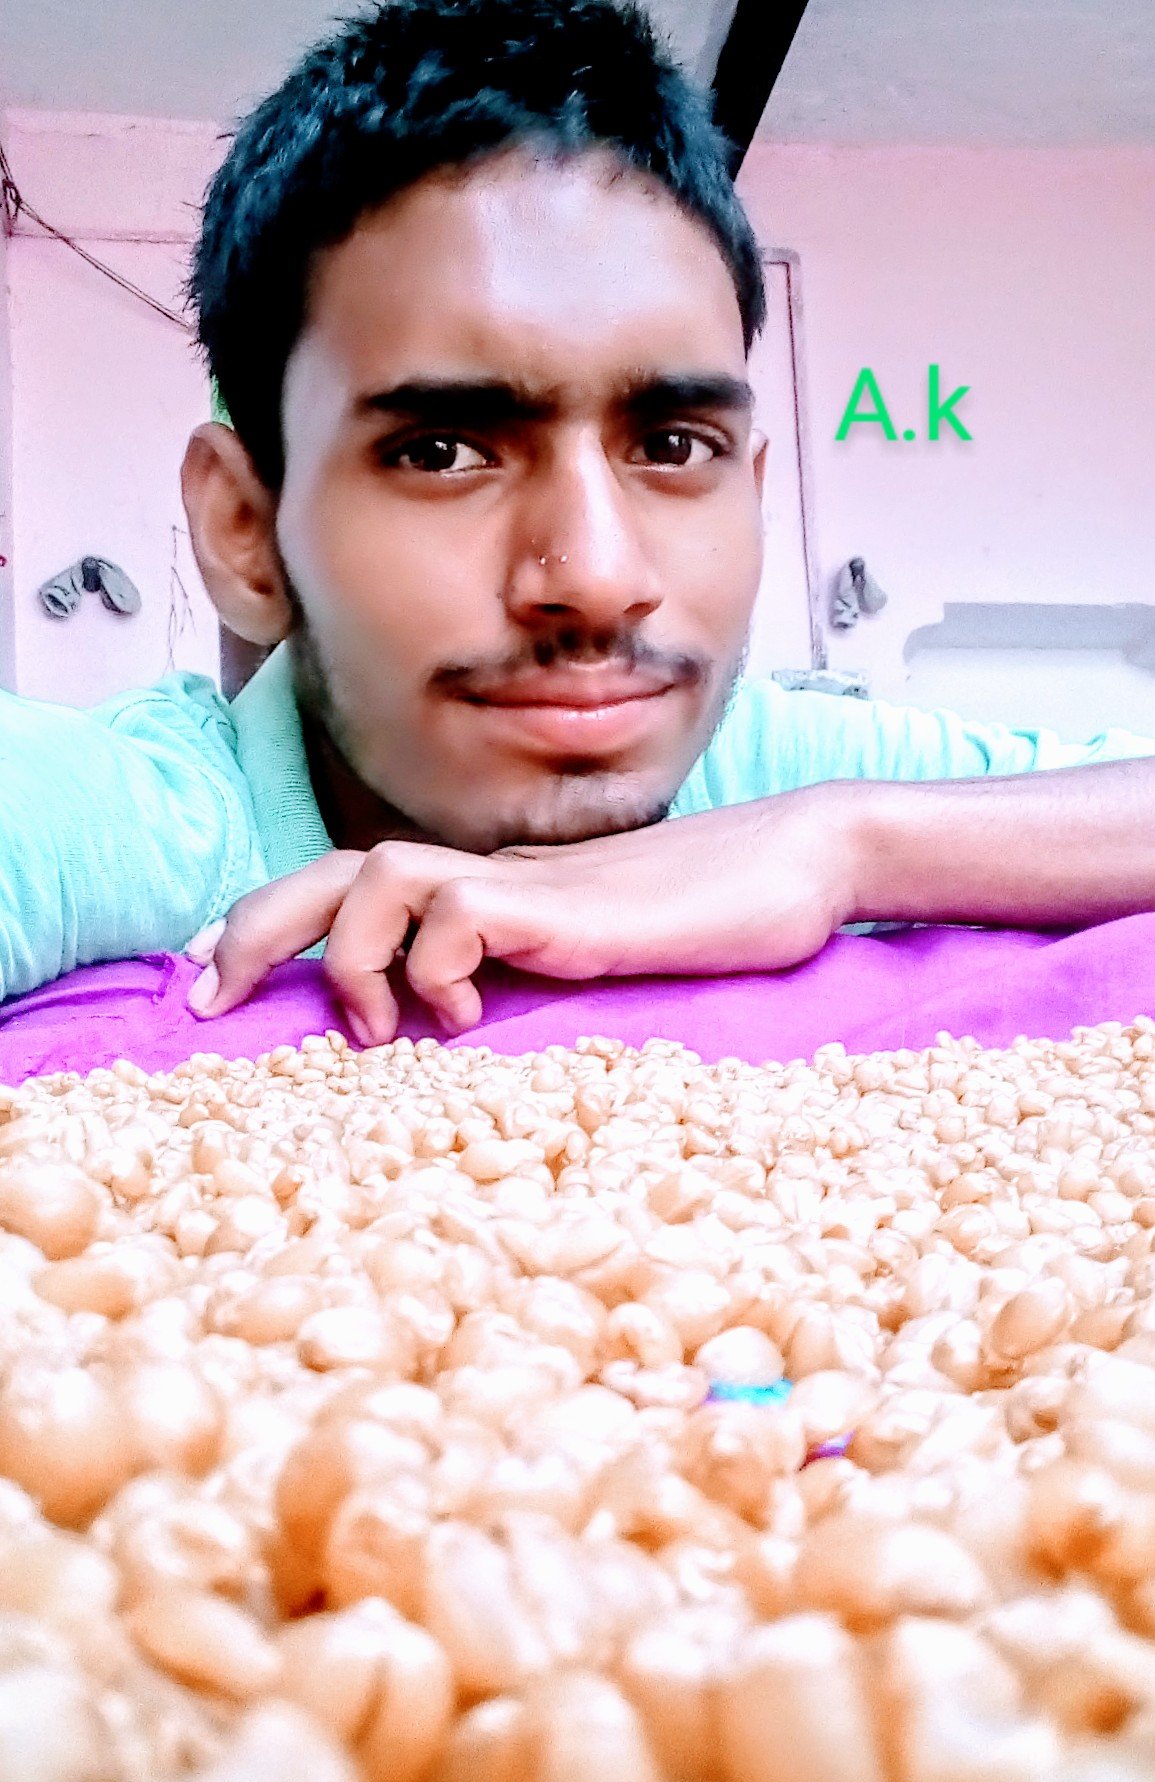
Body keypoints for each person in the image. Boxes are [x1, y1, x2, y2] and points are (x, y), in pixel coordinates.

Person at [3, 0, 1155, 1048]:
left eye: (672, 446)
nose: (599, 577)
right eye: (443, 451)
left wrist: (844, 845)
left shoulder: (767, 766)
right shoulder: (152, 825)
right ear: (244, 530)